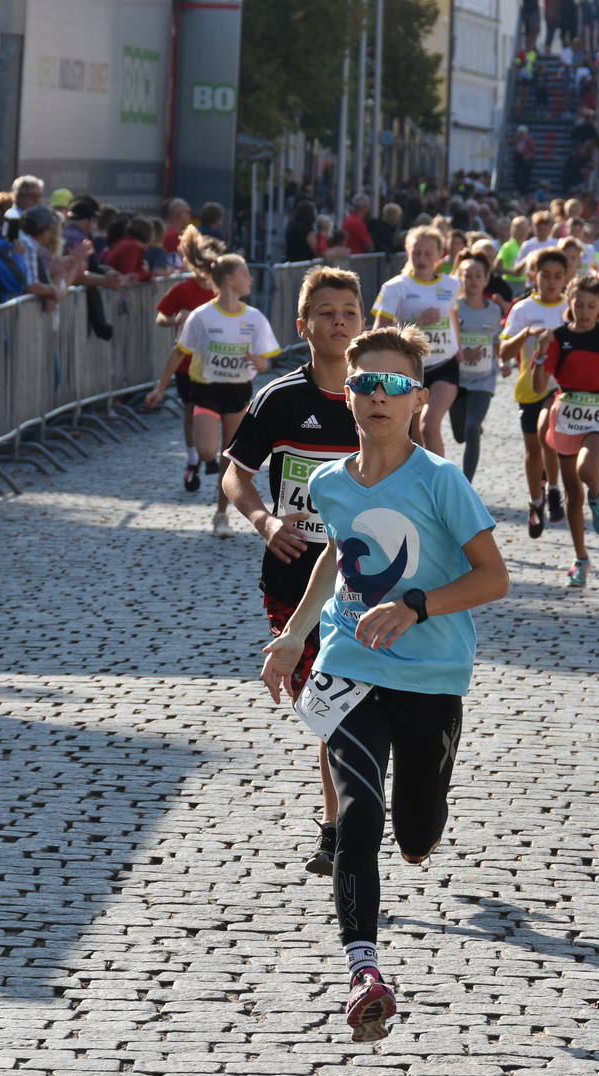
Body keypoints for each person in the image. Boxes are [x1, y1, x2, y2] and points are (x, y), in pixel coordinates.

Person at [260, 326, 509, 1045]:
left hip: (432, 675)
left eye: (395, 385)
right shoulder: (331, 482)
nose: (378, 395)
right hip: (350, 663)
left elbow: (494, 577)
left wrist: (416, 605)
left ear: (417, 398)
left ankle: (424, 812)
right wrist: (296, 635)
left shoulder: (440, 480)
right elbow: (337, 553)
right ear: (347, 393)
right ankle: (364, 970)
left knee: (416, 831)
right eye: (366, 383)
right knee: (358, 814)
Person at [224, 265, 367, 876]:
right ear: (302, 325)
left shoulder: (383, 395)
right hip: (293, 574)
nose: (339, 322)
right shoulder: (279, 398)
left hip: (369, 578)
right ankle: (338, 828)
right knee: (332, 703)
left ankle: (346, 822)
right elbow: (236, 473)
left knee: (355, 703)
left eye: (350, 313)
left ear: (364, 324)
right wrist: (264, 522)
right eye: (327, 313)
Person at [536, 274, 599, 587]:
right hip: (566, 413)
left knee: (586, 469)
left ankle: (598, 493)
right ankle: (581, 558)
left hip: (597, 412)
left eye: (591, 305)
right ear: (570, 302)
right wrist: (540, 354)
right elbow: (540, 385)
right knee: (571, 495)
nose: (583, 310)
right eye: (578, 304)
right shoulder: (557, 336)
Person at [174, 251, 284, 536]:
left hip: (238, 391)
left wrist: (261, 363)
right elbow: (178, 351)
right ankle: (203, 461)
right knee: (208, 450)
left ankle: (221, 515)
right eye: (246, 273)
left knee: (229, 457)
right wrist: (159, 388)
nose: (252, 278)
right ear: (230, 279)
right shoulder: (202, 316)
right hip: (207, 390)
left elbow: (267, 358)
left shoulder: (254, 317)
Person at [146, 226, 228, 488]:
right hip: (187, 364)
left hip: (220, 364)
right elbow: (161, 318)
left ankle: (213, 456)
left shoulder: (225, 291)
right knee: (191, 411)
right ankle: (194, 460)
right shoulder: (183, 290)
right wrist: (175, 318)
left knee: (216, 411)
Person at [500, 249, 573, 538]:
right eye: (545, 275)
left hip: (561, 387)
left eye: (558, 276)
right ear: (534, 277)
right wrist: (526, 334)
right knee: (533, 450)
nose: (551, 281)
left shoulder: (572, 307)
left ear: (566, 278)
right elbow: (503, 351)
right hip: (528, 386)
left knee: (548, 431)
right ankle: (536, 500)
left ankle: (554, 489)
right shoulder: (522, 309)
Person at [372, 226, 462, 456]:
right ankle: (420, 479)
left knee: (430, 426)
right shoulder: (395, 287)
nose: (422, 258)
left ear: (440, 254)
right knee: (414, 436)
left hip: (444, 365)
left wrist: (458, 348)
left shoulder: (451, 285)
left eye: (428, 253)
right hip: (410, 369)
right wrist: (416, 320)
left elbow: (452, 315)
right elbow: (379, 331)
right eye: (416, 252)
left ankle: (441, 485)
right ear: (407, 252)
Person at [450, 253, 504, 482]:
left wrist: (503, 362)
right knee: (460, 435)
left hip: (484, 379)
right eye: (467, 275)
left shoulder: (494, 310)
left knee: (472, 429)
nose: (473, 280)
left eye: (478, 276)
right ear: (460, 278)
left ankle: (466, 484)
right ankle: (472, 428)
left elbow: (496, 342)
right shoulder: (453, 308)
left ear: (486, 279)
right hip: (457, 379)